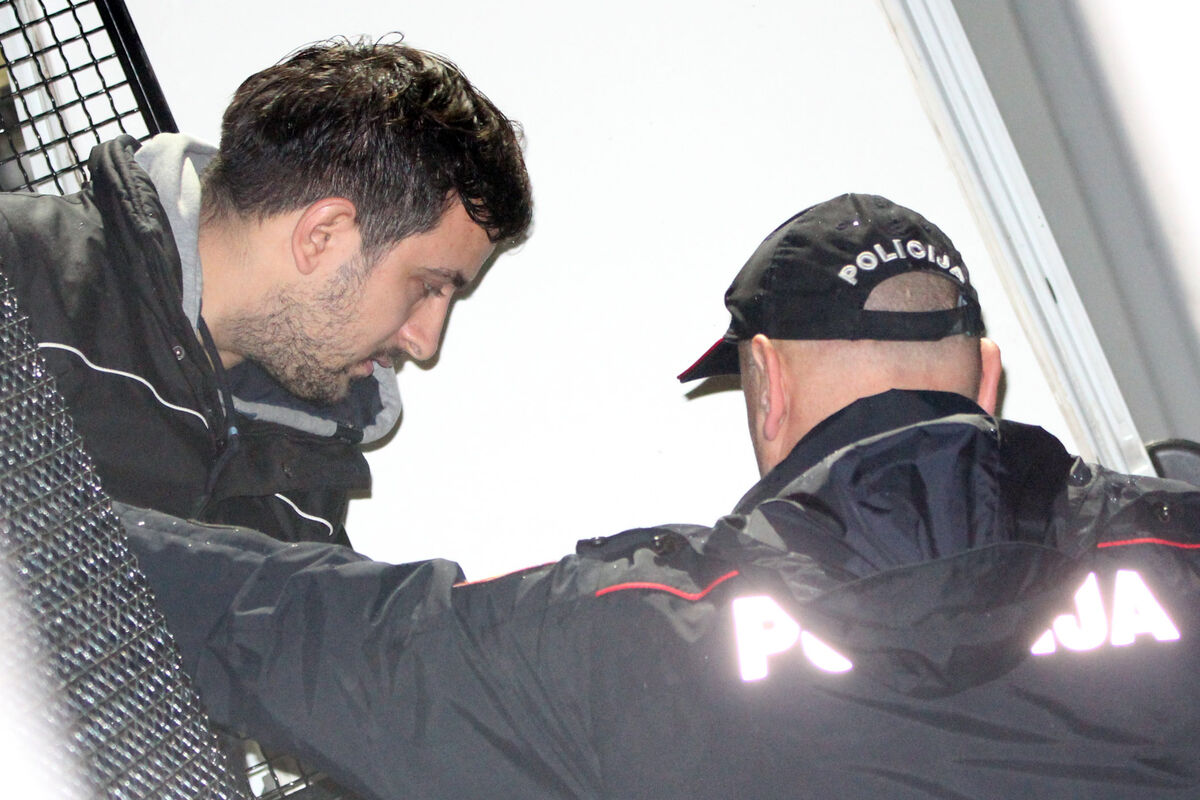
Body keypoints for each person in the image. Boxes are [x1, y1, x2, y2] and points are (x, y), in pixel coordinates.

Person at [124, 194, 1200, 798]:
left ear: (767, 383)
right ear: (987, 376)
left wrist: (66, 528)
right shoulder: (1181, 549)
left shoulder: (641, 633)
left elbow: (304, 634)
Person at [0, 37, 532, 545]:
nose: (425, 342)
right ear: (322, 236)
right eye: (429, 287)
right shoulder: (16, 284)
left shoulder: (303, 483)